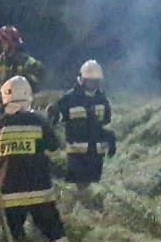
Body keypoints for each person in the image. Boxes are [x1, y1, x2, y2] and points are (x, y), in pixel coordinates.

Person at [0, 76, 66, 242]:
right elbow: (54, 147)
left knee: (14, 237)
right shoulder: (39, 121)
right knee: (54, 232)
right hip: (39, 191)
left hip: (8, 195)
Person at [49, 59, 115, 188]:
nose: (93, 84)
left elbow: (106, 122)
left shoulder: (102, 99)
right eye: (90, 81)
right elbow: (56, 118)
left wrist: (110, 139)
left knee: (94, 187)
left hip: (96, 154)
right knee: (78, 188)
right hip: (77, 155)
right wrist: (53, 114)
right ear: (82, 79)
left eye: (96, 81)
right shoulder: (70, 98)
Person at [0, 25, 45, 90]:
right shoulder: (3, 58)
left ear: (11, 42)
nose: (1, 45)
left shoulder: (27, 62)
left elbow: (39, 79)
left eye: (3, 42)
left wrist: (26, 78)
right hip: (7, 94)